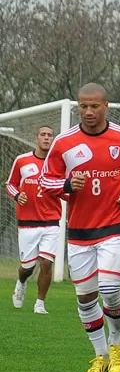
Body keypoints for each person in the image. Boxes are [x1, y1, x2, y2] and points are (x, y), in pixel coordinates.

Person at [39, 83, 120, 372]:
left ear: (106, 106)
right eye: (83, 106)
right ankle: (99, 355)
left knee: (110, 290)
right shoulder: (64, 142)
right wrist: (65, 185)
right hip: (79, 231)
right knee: (85, 298)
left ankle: (116, 344)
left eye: (94, 106)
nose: (88, 112)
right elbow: (45, 181)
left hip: (113, 225)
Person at [7, 126, 60, 314]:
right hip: (28, 222)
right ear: (36, 138)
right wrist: (17, 195)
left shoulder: (58, 164)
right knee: (28, 268)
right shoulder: (22, 161)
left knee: (46, 262)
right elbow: (10, 184)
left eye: (50, 135)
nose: (46, 138)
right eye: (43, 135)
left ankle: (40, 303)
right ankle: (21, 282)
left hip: (52, 221)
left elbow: (64, 188)